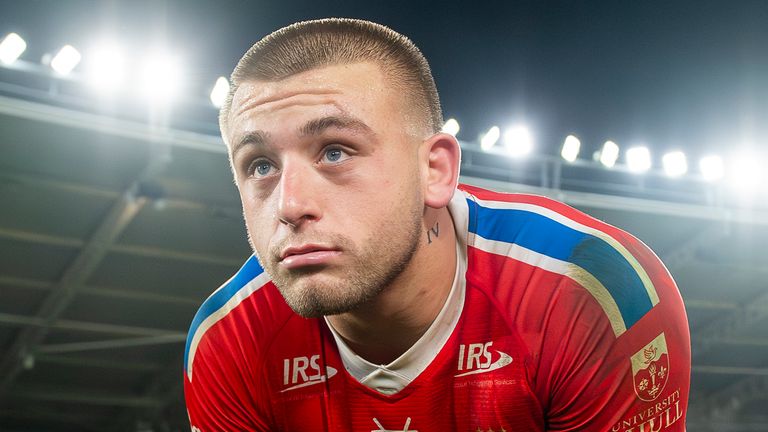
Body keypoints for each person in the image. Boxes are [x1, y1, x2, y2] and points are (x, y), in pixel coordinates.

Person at [183, 18, 690, 431]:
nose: (290, 205)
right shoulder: (227, 342)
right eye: (260, 166)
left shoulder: (592, 292)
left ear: (435, 171)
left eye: (335, 152)